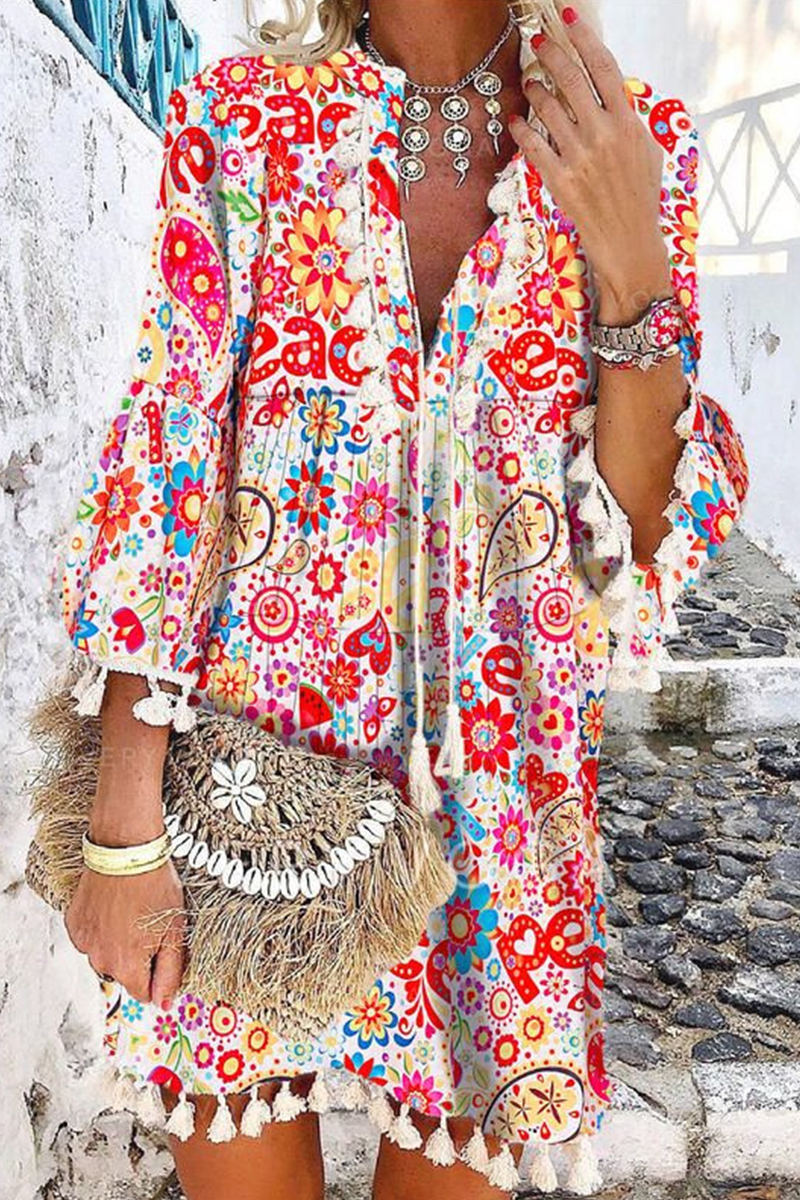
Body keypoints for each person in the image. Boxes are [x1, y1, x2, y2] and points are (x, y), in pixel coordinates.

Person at [58, 1, 749, 1197]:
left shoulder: (634, 144)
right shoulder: (241, 122)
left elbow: (627, 550)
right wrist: (122, 827)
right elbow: (171, 465)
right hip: (246, 802)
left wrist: (630, 261)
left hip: (506, 818)